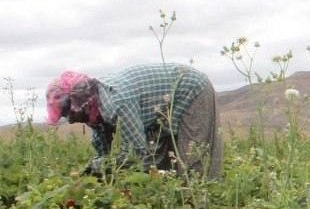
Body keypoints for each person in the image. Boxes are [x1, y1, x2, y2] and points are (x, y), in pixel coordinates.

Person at [46, 63, 222, 178]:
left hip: (190, 91)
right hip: (159, 107)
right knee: (160, 165)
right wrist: (95, 168)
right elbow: (104, 150)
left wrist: (103, 167)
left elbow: (135, 153)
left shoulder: (117, 102)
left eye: (68, 114)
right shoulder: (95, 108)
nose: (69, 120)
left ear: (81, 102)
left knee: (193, 164)